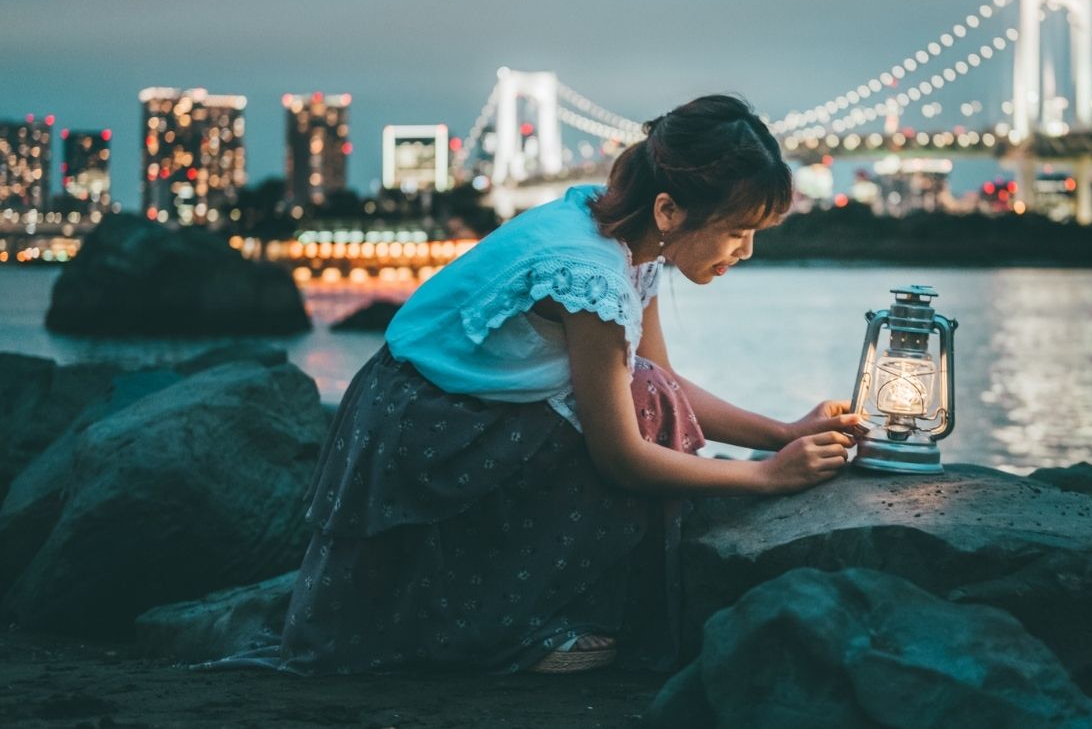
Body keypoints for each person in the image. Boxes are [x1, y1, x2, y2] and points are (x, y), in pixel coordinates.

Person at [211, 94, 863, 676]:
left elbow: (660, 380)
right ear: (670, 209)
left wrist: (781, 432)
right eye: (738, 231)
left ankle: (518, 604)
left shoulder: (633, 239)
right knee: (636, 418)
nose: (745, 251)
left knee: (647, 394)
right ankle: (498, 628)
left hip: (460, 410)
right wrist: (764, 477)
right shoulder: (591, 272)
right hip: (422, 427)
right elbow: (622, 458)